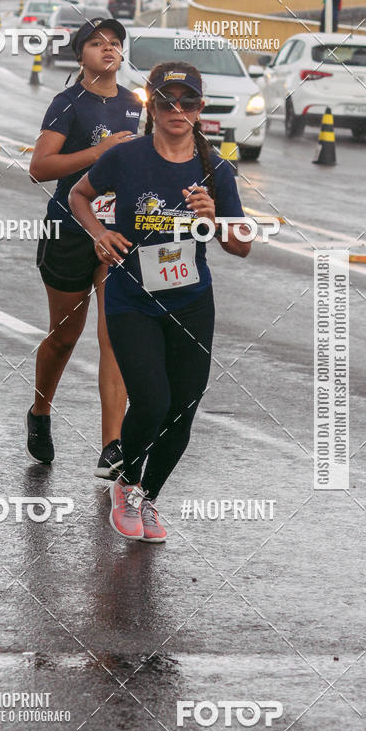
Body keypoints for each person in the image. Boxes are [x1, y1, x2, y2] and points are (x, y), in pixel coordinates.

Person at [69, 62, 252, 542]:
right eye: (167, 100)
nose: (177, 109)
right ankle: (126, 485)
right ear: (151, 105)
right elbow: (79, 194)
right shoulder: (127, 157)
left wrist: (215, 219)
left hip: (191, 302)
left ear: (200, 108)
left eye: (187, 101)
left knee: (183, 409)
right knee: (152, 401)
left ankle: (146, 498)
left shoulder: (215, 168)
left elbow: (242, 245)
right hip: (132, 298)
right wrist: (99, 233)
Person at [28, 18, 142, 477]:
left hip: (118, 235)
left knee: (114, 336)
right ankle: (40, 411)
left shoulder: (135, 104)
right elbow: (40, 168)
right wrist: (100, 152)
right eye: (97, 43)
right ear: (81, 55)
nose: (108, 49)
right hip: (71, 231)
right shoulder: (67, 104)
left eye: (115, 43)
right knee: (64, 337)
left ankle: (112, 445)